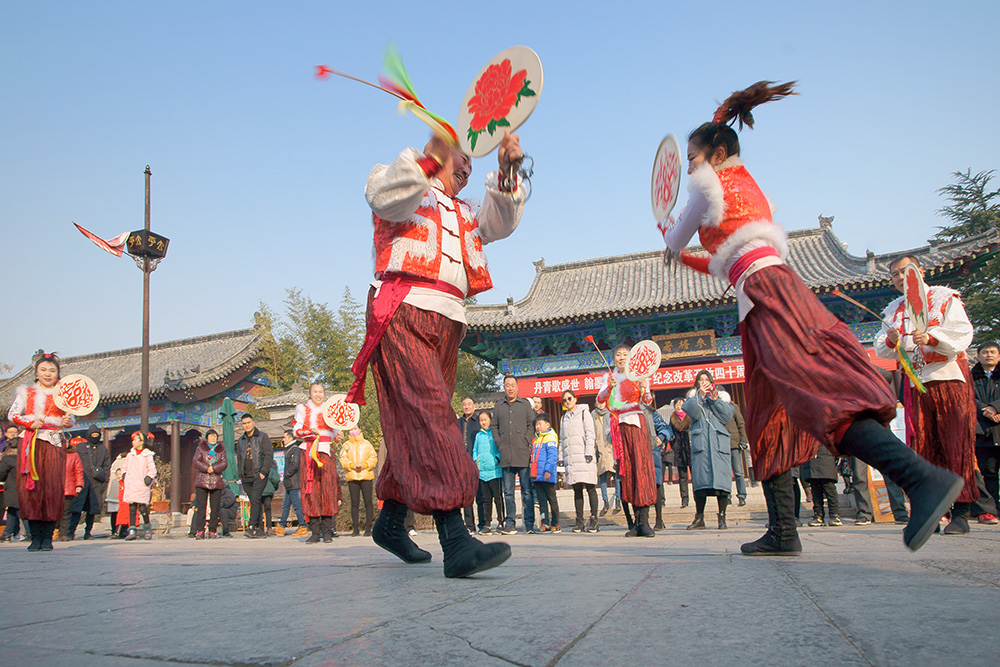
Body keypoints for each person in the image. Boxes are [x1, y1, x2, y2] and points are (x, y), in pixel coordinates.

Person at [661, 81, 962, 554]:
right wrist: (682, 257)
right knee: (767, 413)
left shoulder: (710, 181)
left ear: (717, 153)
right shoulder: (743, 190)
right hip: (759, 291)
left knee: (819, 391)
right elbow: (724, 256)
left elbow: (678, 235)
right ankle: (784, 531)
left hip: (767, 290)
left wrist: (667, 234)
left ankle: (920, 477)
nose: (692, 169)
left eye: (695, 158)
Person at [346, 128, 525, 578]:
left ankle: (390, 522)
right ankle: (455, 539)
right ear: (435, 154)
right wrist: (426, 161)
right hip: (402, 310)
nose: (466, 167)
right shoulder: (404, 184)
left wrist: (506, 169)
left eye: (471, 162)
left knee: (418, 424)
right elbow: (384, 197)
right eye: (459, 158)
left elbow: (501, 221)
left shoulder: (466, 211)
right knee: (432, 418)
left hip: (447, 319)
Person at [875, 255, 978, 534]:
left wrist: (932, 338)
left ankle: (962, 512)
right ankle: (932, 511)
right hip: (916, 385)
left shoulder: (944, 298)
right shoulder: (895, 308)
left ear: (920, 271)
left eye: (904, 271)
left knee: (955, 444)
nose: (899, 278)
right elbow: (882, 348)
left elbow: (961, 333)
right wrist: (891, 340)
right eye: (894, 274)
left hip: (947, 378)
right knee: (923, 447)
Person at [8, 352, 74, 551]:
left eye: (52, 370)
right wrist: (29, 421)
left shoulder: (63, 394)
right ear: (36, 373)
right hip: (31, 444)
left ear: (58, 374)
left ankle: (48, 537)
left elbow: (73, 418)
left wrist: (67, 422)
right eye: (43, 370)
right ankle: (35, 537)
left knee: (52, 489)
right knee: (31, 489)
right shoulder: (26, 393)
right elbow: (13, 414)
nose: (48, 374)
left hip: (53, 443)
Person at [597, 345, 657, 537]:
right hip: (619, 427)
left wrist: (643, 388)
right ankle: (633, 523)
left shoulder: (639, 376)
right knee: (627, 472)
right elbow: (599, 400)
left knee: (641, 469)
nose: (622, 358)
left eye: (625, 355)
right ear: (613, 359)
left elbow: (647, 401)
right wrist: (609, 387)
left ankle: (645, 522)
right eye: (618, 355)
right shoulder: (609, 377)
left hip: (637, 423)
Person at [684, 372, 735, 530]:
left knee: (722, 485)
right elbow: (692, 412)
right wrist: (700, 396)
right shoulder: (694, 400)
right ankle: (699, 518)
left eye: (707, 380)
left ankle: (722, 518)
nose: (704, 382)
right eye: (701, 380)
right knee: (700, 485)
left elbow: (727, 417)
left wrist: (714, 400)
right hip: (702, 447)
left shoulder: (719, 399)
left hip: (718, 446)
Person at [293, 384, 341, 543]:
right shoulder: (303, 410)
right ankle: (314, 531)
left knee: (328, 490)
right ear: (310, 393)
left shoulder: (330, 411)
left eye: (321, 392)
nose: (318, 395)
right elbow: (297, 431)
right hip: (308, 451)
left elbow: (333, 433)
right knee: (311, 491)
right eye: (315, 392)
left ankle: (327, 531)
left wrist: (337, 436)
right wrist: (309, 432)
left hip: (326, 451)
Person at [494, 374, 537, 535]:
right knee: (508, 492)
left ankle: (529, 523)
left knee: (526, 491)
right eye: (507, 385)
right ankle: (510, 522)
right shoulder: (499, 405)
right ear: (504, 387)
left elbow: (531, 425)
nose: (510, 388)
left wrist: (527, 440)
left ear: (517, 387)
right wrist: (499, 442)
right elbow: (494, 425)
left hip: (522, 452)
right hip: (506, 454)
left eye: (512, 385)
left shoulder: (525, 404)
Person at [559, 390, 600, 533]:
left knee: (590, 488)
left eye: (569, 398)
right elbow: (562, 440)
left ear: (575, 399)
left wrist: (589, 452)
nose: (567, 402)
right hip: (572, 459)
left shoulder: (584, 413)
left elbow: (590, 433)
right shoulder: (564, 418)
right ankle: (579, 521)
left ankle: (594, 519)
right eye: (564, 400)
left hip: (584, 456)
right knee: (577, 490)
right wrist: (561, 457)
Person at [972, 341, 1000, 520]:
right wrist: (985, 410)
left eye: (992, 352)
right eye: (984, 352)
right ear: (978, 356)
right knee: (988, 474)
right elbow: (968, 398)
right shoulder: (971, 377)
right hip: (983, 431)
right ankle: (993, 510)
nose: (988, 355)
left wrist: (996, 407)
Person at [237, 412, 273, 539]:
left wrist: (263, 472)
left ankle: (251, 526)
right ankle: (259, 529)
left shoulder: (262, 437)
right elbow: (240, 458)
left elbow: (268, 455)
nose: (246, 425)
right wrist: (240, 474)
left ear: (253, 423)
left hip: (259, 474)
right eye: (244, 424)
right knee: (254, 501)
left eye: (248, 423)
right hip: (246, 476)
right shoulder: (241, 440)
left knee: (256, 499)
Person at [72, 425, 110, 540]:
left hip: (96, 483)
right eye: (92, 435)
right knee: (76, 508)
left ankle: (88, 532)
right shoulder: (80, 447)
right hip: (81, 481)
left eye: (96, 435)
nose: (94, 437)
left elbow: (106, 466)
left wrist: (105, 482)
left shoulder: (103, 449)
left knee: (91, 510)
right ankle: (71, 531)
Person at [340, 428, 377, 536]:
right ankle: (355, 529)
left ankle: (368, 528)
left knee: (368, 502)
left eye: (355, 428)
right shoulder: (346, 445)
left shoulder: (367, 444)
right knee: (354, 503)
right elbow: (343, 458)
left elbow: (373, 458)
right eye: (352, 429)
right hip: (352, 476)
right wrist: (351, 466)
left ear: (360, 429)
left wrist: (365, 465)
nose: (353, 430)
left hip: (366, 475)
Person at [192, 429, 228, 539]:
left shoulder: (221, 450)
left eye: (215, 436)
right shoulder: (200, 449)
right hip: (202, 480)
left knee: (215, 507)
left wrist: (214, 468)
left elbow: (224, 463)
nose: (213, 438)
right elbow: (196, 461)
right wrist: (207, 468)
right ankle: (200, 531)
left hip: (216, 480)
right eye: (211, 436)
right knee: (201, 507)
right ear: (207, 437)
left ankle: (213, 531)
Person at [472, 411, 503, 534]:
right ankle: (487, 524)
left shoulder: (495, 433)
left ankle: (501, 522)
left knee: (498, 499)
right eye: (481, 420)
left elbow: (500, 447)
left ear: (490, 420)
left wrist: (497, 458)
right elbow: (475, 449)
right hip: (482, 473)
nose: (483, 422)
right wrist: (476, 460)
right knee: (486, 499)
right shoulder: (479, 435)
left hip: (495, 472)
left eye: (485, 419)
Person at [643, 403, 673, 531]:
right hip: (637, 455)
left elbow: (666, 429)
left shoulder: (651, 414)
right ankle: (643, 520)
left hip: (652, 454)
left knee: (657, 486)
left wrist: (661, 437)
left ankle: (659, 519)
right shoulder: (628, 414)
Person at [456, 397, 484, 531]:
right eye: (464, 404)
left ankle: (483, 524)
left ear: (474, 406)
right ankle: (470, 525)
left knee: (480, 494)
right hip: (462, 462)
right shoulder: (458, 422)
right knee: (466, 496)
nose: (466, 407)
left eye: (469, 404)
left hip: (476, 462)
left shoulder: (478, 421)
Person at [122, 431, 156, 541]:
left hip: (141, 484)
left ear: (141, 442)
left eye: (135, 439)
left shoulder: (147, 455)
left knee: (142, 508)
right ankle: (132, 530)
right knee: (132, 508)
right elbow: (124, 467)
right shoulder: (130, 455)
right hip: (131, 484)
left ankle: (147, 528)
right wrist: (124, 475)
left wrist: (148, 478)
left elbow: (152, 469)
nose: (133, 442)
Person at [531, 413, 560, 532]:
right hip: (537, 476)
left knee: (552, 499)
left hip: (547, 475)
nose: (538, 426)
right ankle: (545, 523)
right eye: (536, 424)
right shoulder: (536, 439)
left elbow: (553, 456)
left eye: (540, 424)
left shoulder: (551, 437)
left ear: (547, 425)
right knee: (542, 501)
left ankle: (555, 523)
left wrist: (548, 470)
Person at [276, 430, 306, 537]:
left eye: (285, 437)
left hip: (294, 482)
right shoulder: (289, 450)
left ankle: (303, 526)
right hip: (289, 483)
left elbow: (295, 464)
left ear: (290, 438)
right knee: (286, 505)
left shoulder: (295, 450)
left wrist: (287, 474)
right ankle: (282, 525)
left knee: (297, 506)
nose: (283, 440)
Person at [807, 444, 842, 527]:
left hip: (827, 456)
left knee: (829, 488)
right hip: (812, 457)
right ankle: (818, 515)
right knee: (815, 489)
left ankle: (834, 515)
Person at [593, 399, 617, 515]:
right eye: (598, 402)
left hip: (611, 448)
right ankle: (605, 501)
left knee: (616, 474)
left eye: (602, 402)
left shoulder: (611, 413)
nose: (601, 404)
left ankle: (618, 499)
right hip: (600, 448)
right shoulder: (593, 415)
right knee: (602, 476)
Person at [58, 436, 84, 540]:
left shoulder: (74, 455)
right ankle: (52, 532)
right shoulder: (53, 454)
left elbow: (78, 470)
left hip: (68, 486)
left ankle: (63, 533)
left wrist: (79, 484)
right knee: (53, 511)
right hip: (54, 486)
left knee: (66, 512)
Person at [668, 398, 692, 509]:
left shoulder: (690, 416)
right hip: (679, 450)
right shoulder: (672, 418)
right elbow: (670, 434)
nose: (679, 406)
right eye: (677, 404)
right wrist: (674, 446)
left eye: (681, 404)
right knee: (682, 477)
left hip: (690, 449)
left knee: (695, 475)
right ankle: (684, 499)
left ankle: (698, 497)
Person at [725, 402, 749, 506]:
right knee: (725, 473)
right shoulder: (714, 407)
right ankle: (727, 496)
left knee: (738, 471)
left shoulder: (733, 407)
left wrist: (743, 440)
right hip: (721, 444)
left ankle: (742, 495)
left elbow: (741, 424)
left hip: (734, 443)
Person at [0, 439, 21, 541]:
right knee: (15, 510)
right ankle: (12, 532)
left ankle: (8, 533)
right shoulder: (26, 457)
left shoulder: (7, 459)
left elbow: (1, 474)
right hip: (26, 488)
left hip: (12, 488)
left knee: (14, 510)